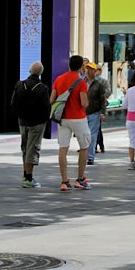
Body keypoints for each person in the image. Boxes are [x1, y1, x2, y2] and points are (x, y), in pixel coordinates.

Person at [51, 55, 91, 191]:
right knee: (84, 147)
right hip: (78, 118)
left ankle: (64, 181)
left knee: (63, 148)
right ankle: (80, 179)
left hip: (62, 118)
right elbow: (84, 103)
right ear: (81, 67)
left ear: (69, 65)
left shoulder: (59, 79)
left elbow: (52, 100)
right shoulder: (81, 82)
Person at [11, 62, 51, 188]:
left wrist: (19, 115)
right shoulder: (42, 88)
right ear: (40, 73)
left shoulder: (19, 85)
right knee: (32, 149)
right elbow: (46, 107)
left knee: (24, 147)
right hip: (37, 123)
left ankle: (25, 175)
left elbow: (13, 103)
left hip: (22, 121)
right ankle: (28, 178)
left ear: (30, 71)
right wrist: (45, 120)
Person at [84, 61, 111, 165]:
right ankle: (85, 154)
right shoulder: (81, 82)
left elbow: (102, 99)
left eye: (90, 69)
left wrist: (103, 112)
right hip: (82, 113)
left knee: (92, 135)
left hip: (94, 113)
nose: (88, 71)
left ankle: (90, 157)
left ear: (95, 71)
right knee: (84, 135)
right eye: (87, 69)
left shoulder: (99, 84)